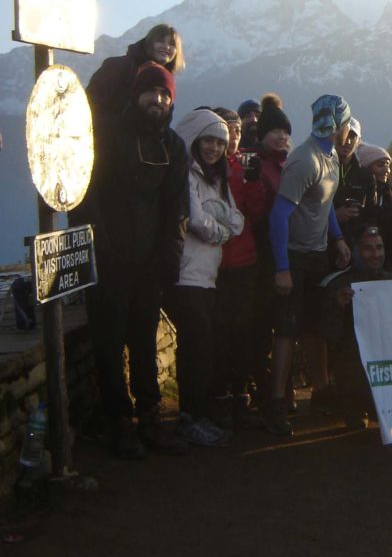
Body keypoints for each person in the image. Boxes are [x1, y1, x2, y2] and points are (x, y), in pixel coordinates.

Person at [71, 62, 189, 458]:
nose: (157, 100)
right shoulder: (106, 134)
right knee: (108, 343)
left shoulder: (173, 145)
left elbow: (177, 207)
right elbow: (86, 193)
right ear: (136, 95)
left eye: (165, 94)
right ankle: (120, 424)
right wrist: (100, 247)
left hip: (150, 262)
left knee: (142, 341)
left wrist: (170, 251)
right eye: (151, 93)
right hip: (110, 258)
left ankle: (150, 419)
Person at [263, 94, 353, 436]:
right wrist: (283, 268)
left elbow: (325, 202)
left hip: (317, 254)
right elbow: (279, 216)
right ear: (339, 125)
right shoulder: (305, 160)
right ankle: (276, 404)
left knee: (315, 327)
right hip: (295, 256)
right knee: (286, 330)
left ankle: (320, 390)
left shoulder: (330, 157)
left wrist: (338, 238)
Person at [165, 109, 244, 446]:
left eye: (220, 142)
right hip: (186, 275)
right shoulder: (186, 175)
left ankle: (196, 414)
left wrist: (218, 224)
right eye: (208, 140)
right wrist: (220, 228)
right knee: (197, 347)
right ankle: (189, 418)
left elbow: (237, 221)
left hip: (206, 275)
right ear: (195, 140)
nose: (214, 148)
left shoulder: (217, 179)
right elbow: (197, 221)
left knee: (204, 347)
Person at [211, 107, 271, 429]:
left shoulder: (242, 167)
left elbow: (256, 211)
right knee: (220, 331)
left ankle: (241, 394)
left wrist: (254, 182)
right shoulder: (208, 169)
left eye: (236, 131)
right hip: (216, 262)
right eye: (228, 131)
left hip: (244, 260)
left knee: (242, 331)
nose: (234, 137)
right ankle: (221, 396)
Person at [320, 224, 392, 427]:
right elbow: (328, 335)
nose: (375, 254)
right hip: (353, 365)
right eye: (368, 248)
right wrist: (338, 307)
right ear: (356, 251)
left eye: (379, 247)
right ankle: (353, 405)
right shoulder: (338, 285)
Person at [249, 93, 292, 405]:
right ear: (262, 134)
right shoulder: (256, 164)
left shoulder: (289, 165)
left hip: (285, 253)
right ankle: (263, 390)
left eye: (286, 132)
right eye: (276, 131)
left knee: (284, 326)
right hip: (260, 255)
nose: (282, 136)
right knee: (263, 324)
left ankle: (279, 389)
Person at [86, 23, 185, 119]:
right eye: (160, 41)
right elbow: (93, 100)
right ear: (149, 43)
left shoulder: (168, 81)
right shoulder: (117, 66)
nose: (166, 47)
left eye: (172, 44)